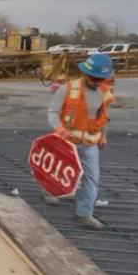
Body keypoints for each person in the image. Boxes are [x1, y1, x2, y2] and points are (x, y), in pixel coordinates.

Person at [45, 53, 115, 230]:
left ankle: (84, 213)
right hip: (68, 140)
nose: (96, 81)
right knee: (57, 168)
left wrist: (103, 135)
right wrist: (59, 129)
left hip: (90, 143)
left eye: (100, 79)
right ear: (85, 73)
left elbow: (103, 116)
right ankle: (49, 189)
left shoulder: (104, 92)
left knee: (91, 178)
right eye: (93, 77)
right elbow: (53, 111)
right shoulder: (69, 88)